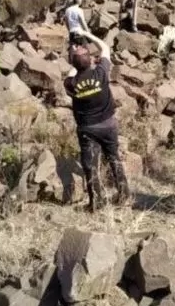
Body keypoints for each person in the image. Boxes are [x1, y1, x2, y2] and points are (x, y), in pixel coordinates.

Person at [63, 29, 130, 212]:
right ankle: (124, 194)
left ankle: (96, 202)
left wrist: (75, 55)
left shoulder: (71, 83)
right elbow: (105, 48)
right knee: (114, 157)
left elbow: (71, 73)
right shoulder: (101, 73)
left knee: (90, 165)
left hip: (87, 129)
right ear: (92, 60)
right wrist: (87, 34)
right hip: (108, 125)